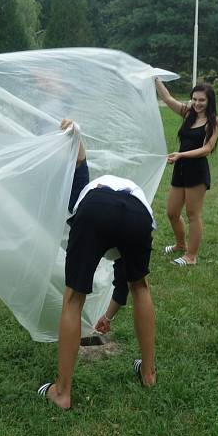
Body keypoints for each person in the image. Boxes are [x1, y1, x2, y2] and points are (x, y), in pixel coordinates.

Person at [39, 119, 157, 410]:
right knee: (141, 287)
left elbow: (79, 162)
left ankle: (62, 392)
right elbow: (124, 286)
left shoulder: (82, 195)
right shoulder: (122, 195)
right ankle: (148, 373)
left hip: (95, 210)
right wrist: (109, 316)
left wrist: (74, 131)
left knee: (73, 298)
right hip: (138, 214)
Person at [154, 80, 218, 266]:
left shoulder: (214, 121)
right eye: (194, 99)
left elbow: (207, 148)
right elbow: (167, 98)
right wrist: (155, 79)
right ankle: (180, 245)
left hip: (196, 171)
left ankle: (191, 257)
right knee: (172, 212)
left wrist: (180, 154)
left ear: (210, 101)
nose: (197, 103)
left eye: (202, 100)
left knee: (193, 214)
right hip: (181, 168)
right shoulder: (188, 113)